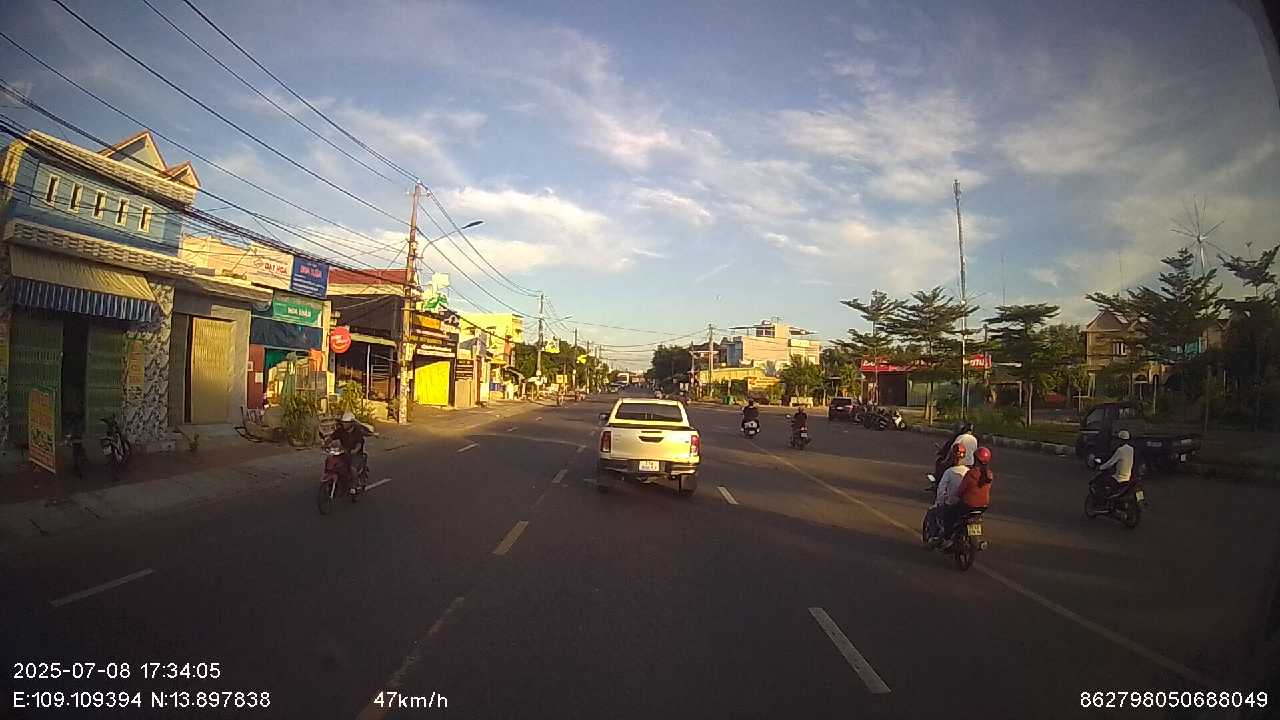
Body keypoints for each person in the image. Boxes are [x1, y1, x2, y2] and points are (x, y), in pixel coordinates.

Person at [943, 446, 994, 543]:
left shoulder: (971, 473)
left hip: (968, 505)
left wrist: (956, 495)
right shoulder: (989, 475)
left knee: (950, 514)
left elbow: (961, 490)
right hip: (983, 506)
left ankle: (947, 536)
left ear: (976, 459)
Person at [929, 444, 968, 545]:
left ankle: (937, 537)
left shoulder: (949, 472)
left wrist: (939, 502)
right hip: (964, 505)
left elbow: (941, 490)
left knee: (934, 513)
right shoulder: (968, 472)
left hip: (951, 504)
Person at [328, 411, 372, 494]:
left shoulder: (357, 432)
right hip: (343, 452)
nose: (344, 424)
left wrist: (355, 450)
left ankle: (354, 486)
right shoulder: (341, 430)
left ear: (351, 423)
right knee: (333, 462)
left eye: (346, 422)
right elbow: (332, 437)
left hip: (356, 454)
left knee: (352, 468)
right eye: (343, 422)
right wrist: (326, 443)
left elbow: (359, 443)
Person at [1094, 429, 1135, 498]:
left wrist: (1100, 467)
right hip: (1128, 477)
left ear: (1120, 440)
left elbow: (1110, 463)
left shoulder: (1120, 450)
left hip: (1119, 478)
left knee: (1102, 485)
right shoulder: (1131, 449)